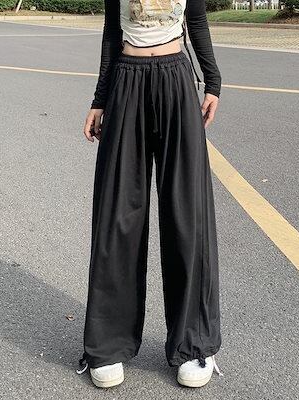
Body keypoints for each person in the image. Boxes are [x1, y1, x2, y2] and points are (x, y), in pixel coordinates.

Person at [77, 0, 224, 389]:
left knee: (186, 213)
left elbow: (196, 20)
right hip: (127, 80)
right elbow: (112, 33)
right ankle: (107, 344)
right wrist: (99, 98)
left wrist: (213, 81)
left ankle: (194, 343)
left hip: (176, 79)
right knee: (118, 213)